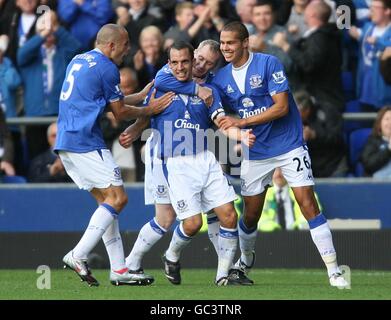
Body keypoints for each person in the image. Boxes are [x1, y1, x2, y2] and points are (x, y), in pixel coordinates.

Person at [212, 21, 348, 287]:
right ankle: (246, 259)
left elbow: (282, 108)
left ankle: (334, 271)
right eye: (222, 43)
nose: (225, 48)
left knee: (308, 204)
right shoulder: (221, 78)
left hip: (288, 144)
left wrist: (241, 123)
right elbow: (218, 113)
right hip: (256, 150)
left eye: (230, 43)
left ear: (245, 42)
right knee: (251, 215)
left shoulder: (268, 63)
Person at [120, 40, 255, 285]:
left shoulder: (210, 89)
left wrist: (240, 133)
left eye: (206, 63)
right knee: (173, 219)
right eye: (197, 59)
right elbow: (150, 103)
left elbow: (221, 120)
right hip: (168, 158)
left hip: (204, 157)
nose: (196, 65)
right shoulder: (164, 80)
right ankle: (138, 262)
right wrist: (136, 128)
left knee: (226, 214)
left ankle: (223, 275)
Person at [54, 24, 174, 287]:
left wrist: (140, 96)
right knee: (119, 198)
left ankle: (119, 269)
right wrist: (149, 108)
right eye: (125, 44)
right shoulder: (107, 67)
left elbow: (108, 101)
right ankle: (78, 254)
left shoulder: (80, 59)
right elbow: (118, 113)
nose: (127, 49)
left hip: (66, 140)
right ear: (111, 46)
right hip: (85, 140)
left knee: (107, 204)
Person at [361, 105, 391, 178]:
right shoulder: (373, 141)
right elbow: (369, 165)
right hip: (377, 185)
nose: (390, 123)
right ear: (380, 123)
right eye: (387, 119)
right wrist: (388, 149)